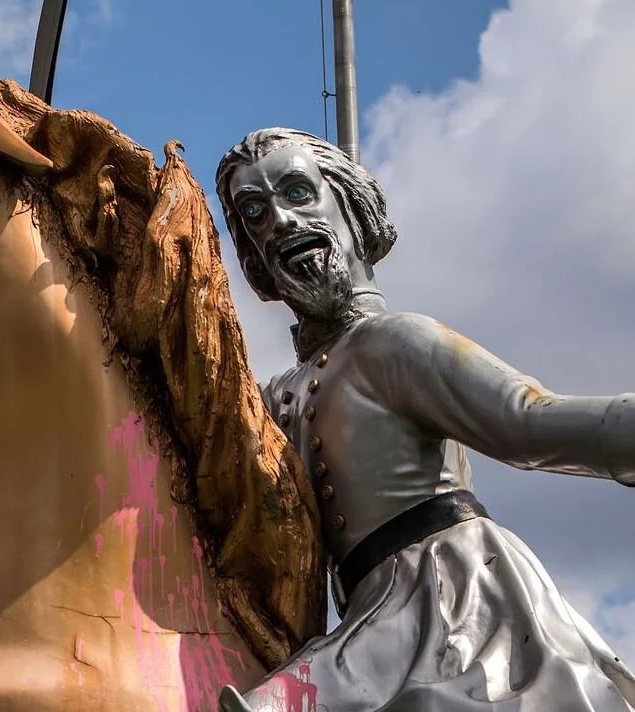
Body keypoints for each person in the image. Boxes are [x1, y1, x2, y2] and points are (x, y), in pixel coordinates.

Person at [213, 127, 635, 712]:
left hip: (456, 605)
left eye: (298, 192)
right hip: (366, 627)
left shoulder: (393, 343)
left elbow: (527, 421)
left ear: (351, 207)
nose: (279, 221)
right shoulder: (274, 396)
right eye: (255, 213)